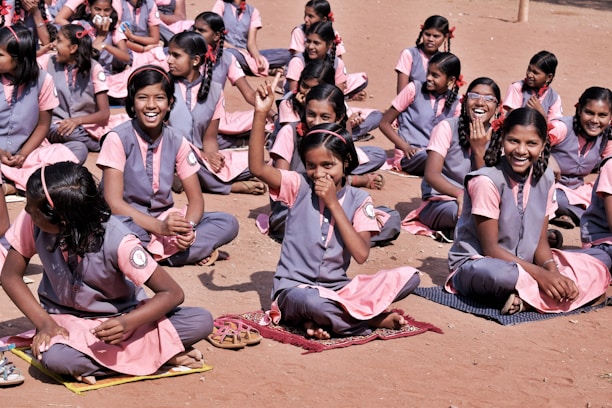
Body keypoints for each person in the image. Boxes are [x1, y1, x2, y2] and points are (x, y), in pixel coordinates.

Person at [0, 162, 212, 384]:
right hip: (64, 323)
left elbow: (172, 293)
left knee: (201, 321)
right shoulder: (32, 220)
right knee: (57, 359)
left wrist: (126, 324)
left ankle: (114, 362)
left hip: (119, 323)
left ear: (61, 220)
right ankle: (162, 354)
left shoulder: (118, 239)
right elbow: (10, 276)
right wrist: (45, 324)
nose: (26, 211)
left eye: (33, 211)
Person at [250, 75, 421, 339]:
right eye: (311, 165)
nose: (318, 173)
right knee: (312, 303)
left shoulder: (359, 200)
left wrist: (333, 204)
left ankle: (325, 320)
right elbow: (258, 168)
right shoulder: (298, 185)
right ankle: (368, 320)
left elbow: (361, 254)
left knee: (409, 277)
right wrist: (260, 113)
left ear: (346, 164)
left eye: (328, 166)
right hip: (295, 291)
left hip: (339, 290)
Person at [447, 107, 610, 315]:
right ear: (502, 138)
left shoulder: (546, 178)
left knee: (594, 264)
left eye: (531, 143)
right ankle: (541, 296)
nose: (521, 150)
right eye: (513, 141)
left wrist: (553, 272)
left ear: (543, 145)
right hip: (481, 265)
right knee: (503, 276)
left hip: (528, 263)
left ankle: (525, 300)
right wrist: (542, 276)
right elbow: (491, 250)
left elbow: (541, 241)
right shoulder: (486, 181)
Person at [97, 65, 239, 266]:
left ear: (170, 103)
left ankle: (156, 256)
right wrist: (160, 228)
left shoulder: (177, 140)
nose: (151, 105)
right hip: (128, 220)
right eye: (142, 97)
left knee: (227, 222)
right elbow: (114, 203)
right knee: (114, 232)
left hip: (167, 221)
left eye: (159, 98)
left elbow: (196, 198)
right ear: (132, 102)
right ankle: (182, 254)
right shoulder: (118, 138)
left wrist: (186, 230)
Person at [268, 83, 395, 243]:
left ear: (339, 118)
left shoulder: (337, 139)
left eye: (325, 117)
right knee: (323, 226)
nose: (316, 121)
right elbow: (281, 181)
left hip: (331, 208)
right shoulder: (291, 132)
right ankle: (336, 240)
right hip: (295, 209)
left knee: (391, 218)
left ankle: (330, 239)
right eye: (311, 114)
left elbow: (341, 185)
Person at [402, 77, 500, 241]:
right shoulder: (447, 127)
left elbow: (488, 182)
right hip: (443, 203)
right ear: (464, 99)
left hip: (482, 204)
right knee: (469, 215)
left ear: (498, 106)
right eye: (474, 96)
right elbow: (432, 174)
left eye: (489, 99)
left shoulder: (499, 136)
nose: (480, 102)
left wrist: (478, 150)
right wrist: (459, 194)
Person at [166, 31, 264, 195]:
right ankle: (227, 187)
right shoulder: (162, 85)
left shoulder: (214, 92)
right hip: (168, 153)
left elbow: (209, 138)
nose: (169, 60)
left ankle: (186, 178)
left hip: (198, 160)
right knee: (183, 154)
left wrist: (213, 157)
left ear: (196, 60)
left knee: (255, 162)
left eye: (176, 56)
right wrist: (201, 155)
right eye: (169, 54)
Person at [0, 25, 78, 195]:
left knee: (66, 154)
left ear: (18, 58)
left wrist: (23, 154)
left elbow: (43, 125)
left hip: (27, 152)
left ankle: (13, 183)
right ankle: (17, 185)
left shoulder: (43, 80)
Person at [379, 51, 462, 177]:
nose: (428, 78)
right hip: (410, 156)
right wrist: (405, 147)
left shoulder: (457, 102)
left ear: (451, 80)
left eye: (435, 75)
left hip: (438, 155)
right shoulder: (414, 89)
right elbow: (384, 123)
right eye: (428, 73)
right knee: (430, 157)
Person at [39, 24, 111, 164]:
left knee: (80, 150)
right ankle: (101, 146)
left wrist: (77, 121)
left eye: (59, 41)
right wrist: (40, 51)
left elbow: (104, 113)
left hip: (84, 128)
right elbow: (25, 64)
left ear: (73, 48)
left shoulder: (94, 68)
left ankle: (58, 169)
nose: (54, 44)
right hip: (55, 127)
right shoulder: (47, 62)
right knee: (68, 131)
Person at [191, 11, 261, 148]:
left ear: (217, 36)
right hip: (189, 118)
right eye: (194, 29)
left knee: (263, 119)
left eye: (201, 30)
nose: (195, 33)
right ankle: (238, 142)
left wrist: (270, 113)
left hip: (215, 120)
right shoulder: (187, 56)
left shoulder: (227, 59)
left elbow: (249, 93)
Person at [547, 86, 612, 231]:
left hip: (578, 190)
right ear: (579, 109)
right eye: (589, 113)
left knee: (604, 198)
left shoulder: (606, 137)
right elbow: (533, 138)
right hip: (551, 187)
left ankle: (570, 215)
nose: (595, 120)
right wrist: (548, 157)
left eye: (602, 115)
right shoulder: (562, 127)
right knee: (554, 197)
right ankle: (589, 219)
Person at [285, 21, 367, 101]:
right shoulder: (298, 62)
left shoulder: (337, 63)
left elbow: (338, 95)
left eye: (316, 43)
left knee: (363, 79)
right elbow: (294, 95)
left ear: (330, 45)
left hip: (325, 103)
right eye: (308, 41)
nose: (310, 46)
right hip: (300, 105)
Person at [212, 0, 290, 77]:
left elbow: (251, 43)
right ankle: (264, 69)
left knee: (289, 54)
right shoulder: (221, 4)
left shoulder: (252, 12)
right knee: (231, 55)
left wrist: (257, 57)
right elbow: (215, 37)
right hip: (225, 50)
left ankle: (255, 67)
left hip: (246, 55)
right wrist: (236, 49)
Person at [395, 15, 452, 93]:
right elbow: (401, 93)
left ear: (446, 37)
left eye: (436, 36)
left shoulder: (444, 60)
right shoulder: (409, 54)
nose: (430, 39)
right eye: (427, 34)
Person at [503, 50, 562, 121]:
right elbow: (513, 118)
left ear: (549, 77)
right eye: (529, 69)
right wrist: (527, 111)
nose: (529, 75)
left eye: (535, 73)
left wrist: (541, 113)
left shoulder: (554, 98)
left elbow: (555, 125)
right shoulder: (517, 87)